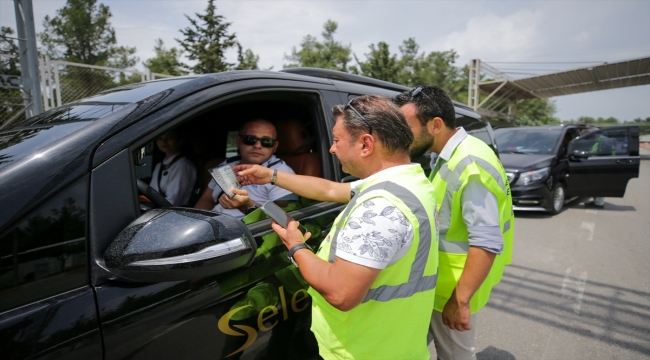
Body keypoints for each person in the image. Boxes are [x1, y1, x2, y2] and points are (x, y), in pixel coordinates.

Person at [234, 95, 439, 359]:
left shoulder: (379, 209)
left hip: (360, 349)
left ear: (366, 143)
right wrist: (270, 175)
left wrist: (295, 245)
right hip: (394, 341)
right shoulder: (408, 183)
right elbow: (331, 188)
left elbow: (341, 293)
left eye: (337, 140)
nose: (331, 149)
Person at [393, 86, 514, 360]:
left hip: (453, 288)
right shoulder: (454, 153)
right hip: (443, 284)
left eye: (406, 127)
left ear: (435, 124)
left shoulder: (469, 164)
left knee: (456, 356)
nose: (401, 136)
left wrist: (460, 301)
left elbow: (486, 240)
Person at [194, 119, 298, 218]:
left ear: (275, 146)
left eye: (267, 141)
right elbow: (208, 199)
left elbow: (283, 221)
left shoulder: (280, 174)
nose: (257, 145)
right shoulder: (227, 165)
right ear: (238, 141)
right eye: (250, 139)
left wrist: (246, 205)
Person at [149, 129, 197, 206]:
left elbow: (172, 202)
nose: (164, 141)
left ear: (180, 141)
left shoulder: (182, 165)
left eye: (170, 138)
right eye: (160, 138)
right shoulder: (159, 166)